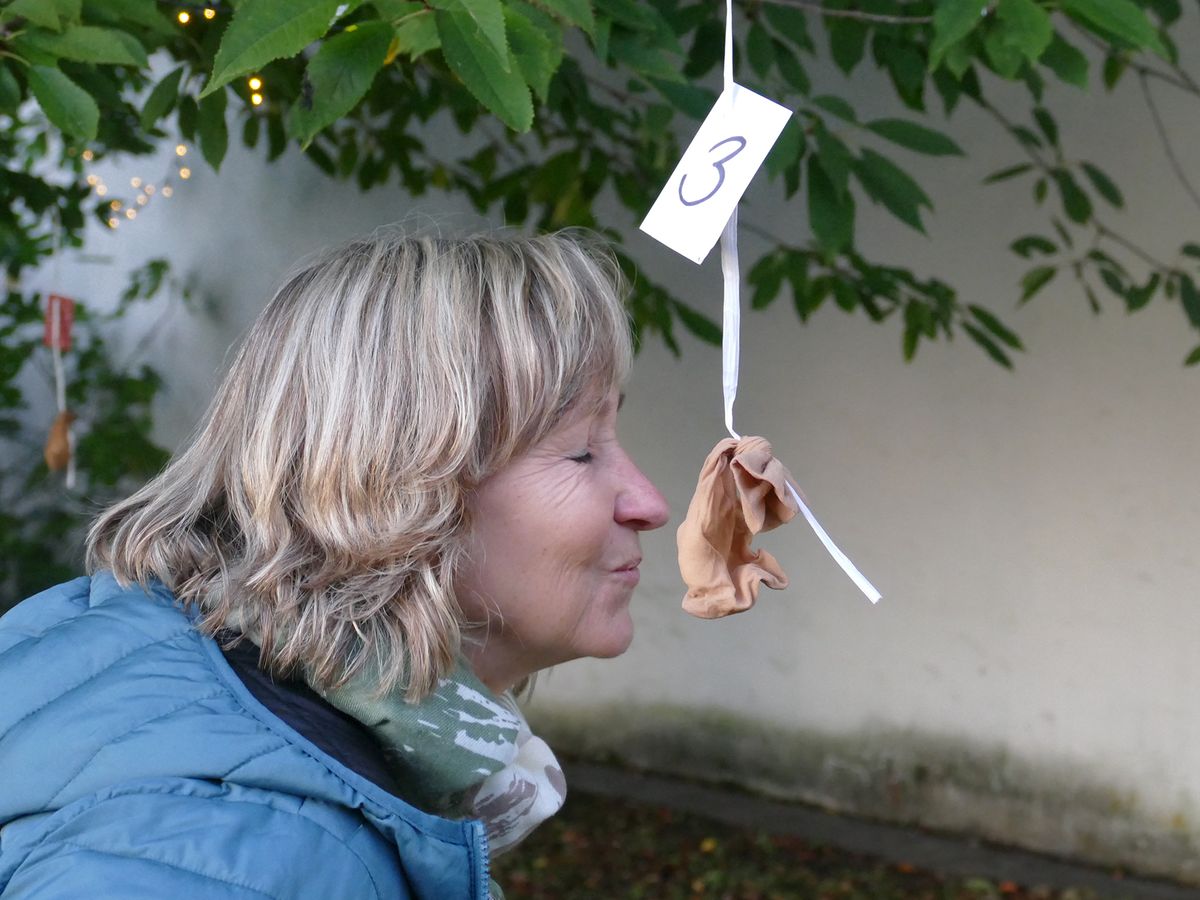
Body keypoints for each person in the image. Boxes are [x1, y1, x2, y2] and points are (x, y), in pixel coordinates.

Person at [0, 231, 669, 899]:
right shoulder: (250, 849)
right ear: (397, 488)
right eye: (582, 449)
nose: (650, 503)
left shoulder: (188, 672)